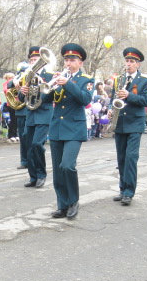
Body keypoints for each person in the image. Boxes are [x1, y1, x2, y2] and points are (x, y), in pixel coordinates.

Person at [41, 43, 93, 219]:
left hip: (74, 128)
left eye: (73, 60)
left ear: (80, 63)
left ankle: (73, 201)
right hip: (57, 128)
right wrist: (52, 84)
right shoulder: (59, 77)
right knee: (57, 169)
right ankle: (62, 205)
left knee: (67, 165)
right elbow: (44, 98)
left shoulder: (86, 79)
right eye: (67, 60)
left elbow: (85, 99)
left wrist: (68, 84)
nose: (69, 63)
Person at [110, 47, 147, 205]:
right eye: (127, 61)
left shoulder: (145, 80)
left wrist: (129, 95)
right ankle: (122, 190)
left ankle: (129, 191)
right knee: (121, 158)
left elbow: (146, 101)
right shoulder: (119, 79)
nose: (128, 64)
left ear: (138, 64)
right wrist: (110, 110)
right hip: (120, 122)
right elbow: (113, 98)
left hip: (135, 123)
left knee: (130, 158)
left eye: (132, 62)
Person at [18, 46, 54, 188]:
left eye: (36, 60)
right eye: (31, 60)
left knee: (37, 144)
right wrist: (23, 91)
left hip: (44, 113)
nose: (34, 63)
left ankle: (41, 174)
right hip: (31, 114)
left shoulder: (49, 75)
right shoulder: (27, 75)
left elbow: (50, 95)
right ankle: (33, 176)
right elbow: (21, 98)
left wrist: (39, 88)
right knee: (28, 144)